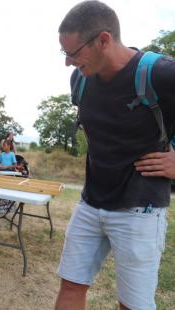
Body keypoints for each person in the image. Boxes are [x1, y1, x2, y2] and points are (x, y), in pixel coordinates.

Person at [55, 2, 175, 310]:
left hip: (140, 209)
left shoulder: (162, 74)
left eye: (74, 52)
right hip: (90, 202)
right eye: (63, 53)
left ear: (104, 40)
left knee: (132, 304)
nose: (68, 62)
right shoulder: (80, 80)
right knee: (70, 285)